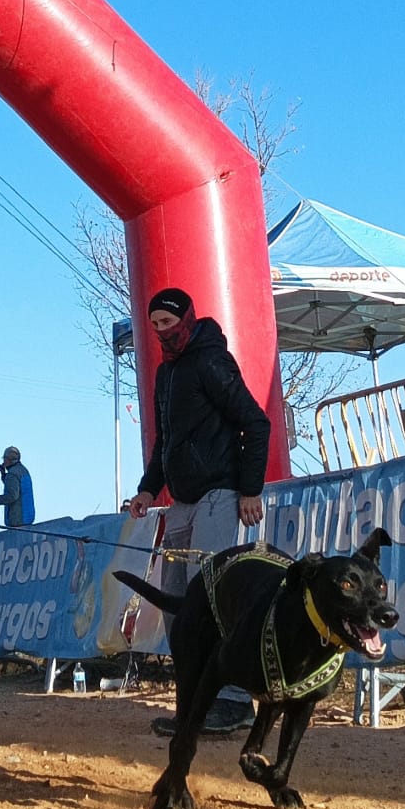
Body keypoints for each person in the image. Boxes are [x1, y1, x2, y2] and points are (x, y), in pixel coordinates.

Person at [129, 287, 270, 734]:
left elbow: (256, 422)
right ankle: (194, 702)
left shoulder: (211, 361)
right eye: (155, 325)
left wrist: (249, 490)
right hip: (181, 502)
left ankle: (233, 702)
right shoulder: (164, 375)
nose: (161, 332)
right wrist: (147, 490)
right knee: (175, 604)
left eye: (167, 323)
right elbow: (164, 444)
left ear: (186, 319)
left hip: (219, 496)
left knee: (209, 600)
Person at [0, 447, 35, 528]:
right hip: (27, 517)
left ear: (8, 460)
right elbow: (15, 487)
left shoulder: (12, 474)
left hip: (17, 520)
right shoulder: (23, 470)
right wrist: (3, 474)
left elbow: (12, 496)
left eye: (4, 459)